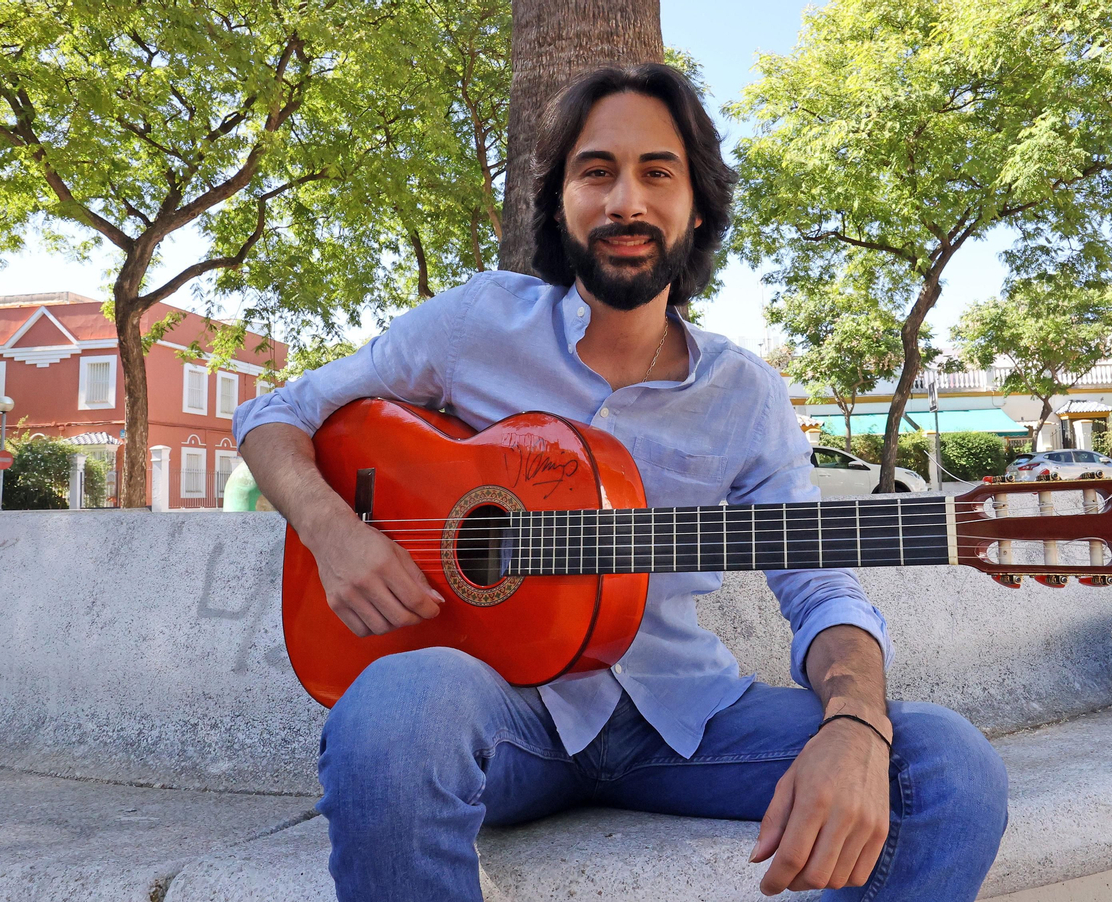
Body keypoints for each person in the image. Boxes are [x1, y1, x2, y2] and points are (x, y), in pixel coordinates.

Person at [235, 63, 1006, 902]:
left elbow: (819, 582)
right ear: (560, 202)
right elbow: (275, 413)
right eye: (595, 171)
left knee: (947, 766)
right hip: (499, 714)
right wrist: (333, 530)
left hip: (684, 721)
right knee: (394, 708)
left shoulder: (745, 393)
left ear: (697, 206)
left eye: (656, 172)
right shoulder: (472, 326)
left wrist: (856, 721)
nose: (624, 201)